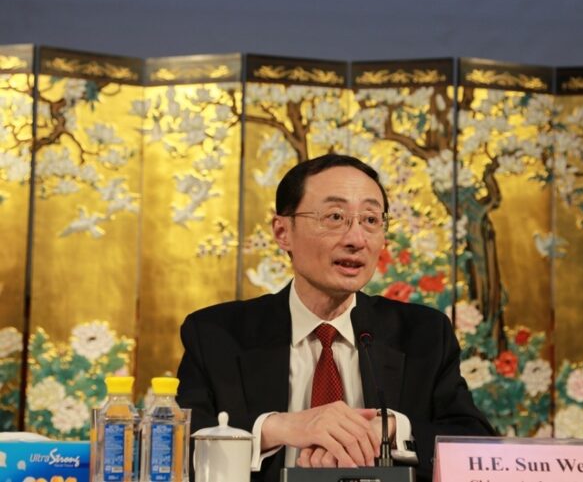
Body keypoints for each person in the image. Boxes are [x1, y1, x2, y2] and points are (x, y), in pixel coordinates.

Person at [177, 154, 495, 482]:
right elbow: (178, 449)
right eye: (335, 217)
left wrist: (392, 429)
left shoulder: (423, 334)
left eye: (370, 220)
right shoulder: (216, 334)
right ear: (283, 231)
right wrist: (277, 428)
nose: (356, 240)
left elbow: (477, 447)